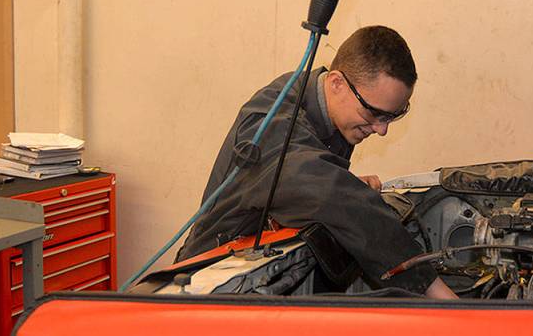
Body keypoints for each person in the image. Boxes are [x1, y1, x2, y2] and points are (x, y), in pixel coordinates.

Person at [176, 25, 457, 299]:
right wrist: (436, 292)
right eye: (374, 113)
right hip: (209, 285)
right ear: (337, 83)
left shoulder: (332, 112)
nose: (382, 130)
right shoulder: (273, 120)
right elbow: (333, 197)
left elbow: (308, 187)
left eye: (393, 116)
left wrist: (341, 183)